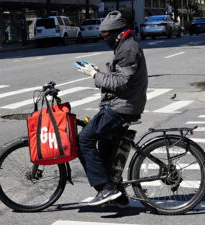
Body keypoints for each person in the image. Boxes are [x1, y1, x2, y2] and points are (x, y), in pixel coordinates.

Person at [76, 11, 148, 207]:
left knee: (84, 140)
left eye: (105, 35)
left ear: (117, 33)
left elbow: (121, 83)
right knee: (106, 150)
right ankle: (118, 196)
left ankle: (107, 189)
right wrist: (97, 73)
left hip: (122, 107)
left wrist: (93, 75)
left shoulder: (127, 49)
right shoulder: (123, 46)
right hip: (120, 104)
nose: (103, 38)